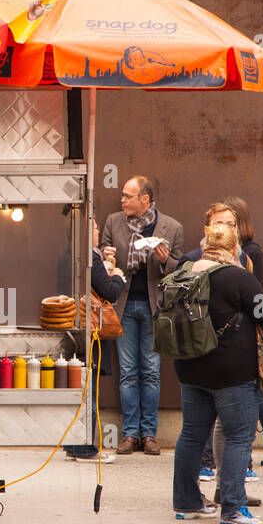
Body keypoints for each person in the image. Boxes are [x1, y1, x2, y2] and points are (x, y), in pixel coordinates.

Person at [171, 225, 263, 524]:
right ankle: (233, 509)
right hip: (232, 373)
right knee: (238, 437)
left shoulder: (185, 273)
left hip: (190, 369)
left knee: (191, 435)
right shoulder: (238, 276)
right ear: (235, 249)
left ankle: (186, 503)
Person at [99, 175, 182, 455]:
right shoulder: (113, 222)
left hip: (153, 307)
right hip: (122, 306)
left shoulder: (171, 227)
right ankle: (130, 434)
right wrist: (105, 255)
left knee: (151, 371)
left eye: (127, 195)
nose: (122, 199)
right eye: (122, 195)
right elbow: (103, 261)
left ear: (144, 199)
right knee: (127, 373)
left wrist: (163, 260)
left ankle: (149, 434)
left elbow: (178, 270)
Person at [223, 195, 263, 468]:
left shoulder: (253, 251)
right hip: (233, 328)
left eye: (227, 221)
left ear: (238, 223)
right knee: (253, 391)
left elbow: (258, 290)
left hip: (250, 327)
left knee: (258, 391)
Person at [64, 218, 125, 463]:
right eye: (96, 227)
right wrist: (118, 277)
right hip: (92, 331)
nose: (99, 230)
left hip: (75, 326)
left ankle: (73, 444)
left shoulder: (72, 256)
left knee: (80, 388)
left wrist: (105, 264)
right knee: (89, 390)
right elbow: (109, 291)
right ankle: (85, 447)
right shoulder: (89, 257)